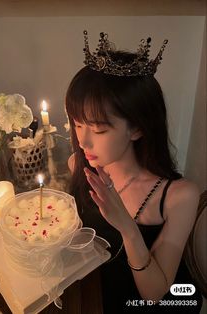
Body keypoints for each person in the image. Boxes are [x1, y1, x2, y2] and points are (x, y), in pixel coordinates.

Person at [65, 31, 203, 313]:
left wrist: (127, 227)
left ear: (138, 128)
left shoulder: (179, 196)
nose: (83, 141)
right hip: (95, 293)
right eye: (77, 124)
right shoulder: (77, 164)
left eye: (99, 129)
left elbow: (155, 293)